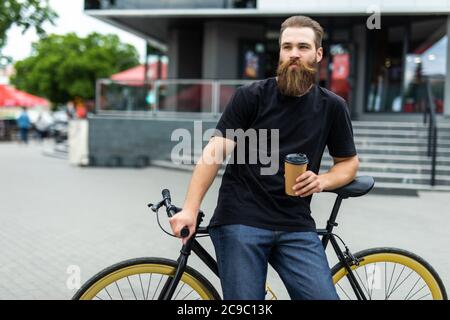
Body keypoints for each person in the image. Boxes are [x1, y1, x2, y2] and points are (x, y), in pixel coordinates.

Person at [169, 15, 359, 300]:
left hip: (296, 223)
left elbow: (348, 163)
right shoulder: (251, 96)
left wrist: (322, 181)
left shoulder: (333, 107)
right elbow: (215, 151)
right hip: (241, 218)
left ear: (318, 54)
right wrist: (190, 208)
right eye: (287, 46)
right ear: (280, 52)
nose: (294, 53)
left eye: (303, 46)